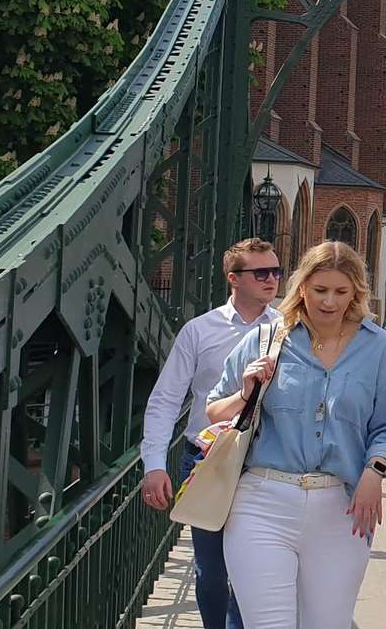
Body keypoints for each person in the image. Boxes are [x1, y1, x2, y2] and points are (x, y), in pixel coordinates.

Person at [206, 241, 386, 629]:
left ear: (356, 293)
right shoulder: (267, 338)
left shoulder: (378, 347)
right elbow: (214, 409)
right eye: (320, 290)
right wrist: (246, 391)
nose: (329, 302)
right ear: (302, 288)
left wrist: (375, 470)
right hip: (261, 501)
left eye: (340, 291)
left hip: (342, 505)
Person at [140, 238, 281, 629]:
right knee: (211, 569)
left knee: (253, 569)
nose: (273, 279)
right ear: (233, 278)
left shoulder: (291, 328)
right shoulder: (199, 331)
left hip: (266, 461)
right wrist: (154, 465)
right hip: (207, 460)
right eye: (262, 272)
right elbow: (166, 399)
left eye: (276, 271)